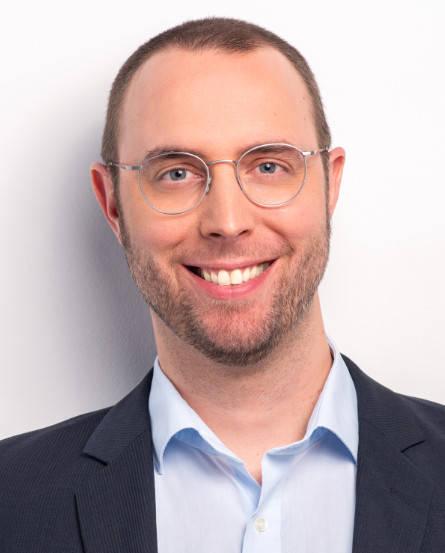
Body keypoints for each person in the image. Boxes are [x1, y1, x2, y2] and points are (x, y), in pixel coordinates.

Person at [1, 17, 444, 553]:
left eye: (269, 166)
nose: (228, 222)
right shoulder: (11, 500)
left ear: (330, 186)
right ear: (113, 203)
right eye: (176, 173)